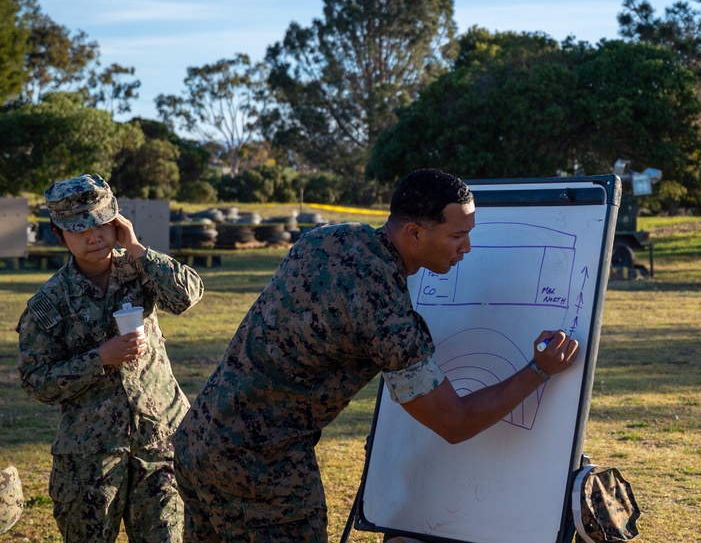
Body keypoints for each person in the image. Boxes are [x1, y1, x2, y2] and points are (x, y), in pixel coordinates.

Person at [173, 168, 580, 542]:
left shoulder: (328, 238)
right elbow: (454, 423)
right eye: (457, 236)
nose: (467, 248)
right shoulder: (385, 314)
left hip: (199, 441)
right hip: (259, 468)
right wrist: (537, 371)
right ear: (415, 234)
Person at [17, 174, 204, 543]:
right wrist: (100, 358)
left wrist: (136, 247)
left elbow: (188, 296)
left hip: (160, 445)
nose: (94, 236)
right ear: (59, 232)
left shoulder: (140, 269)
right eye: (80, 229)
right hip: (90, 457)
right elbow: (35, 380)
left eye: (102, 223)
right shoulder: (49, 302)